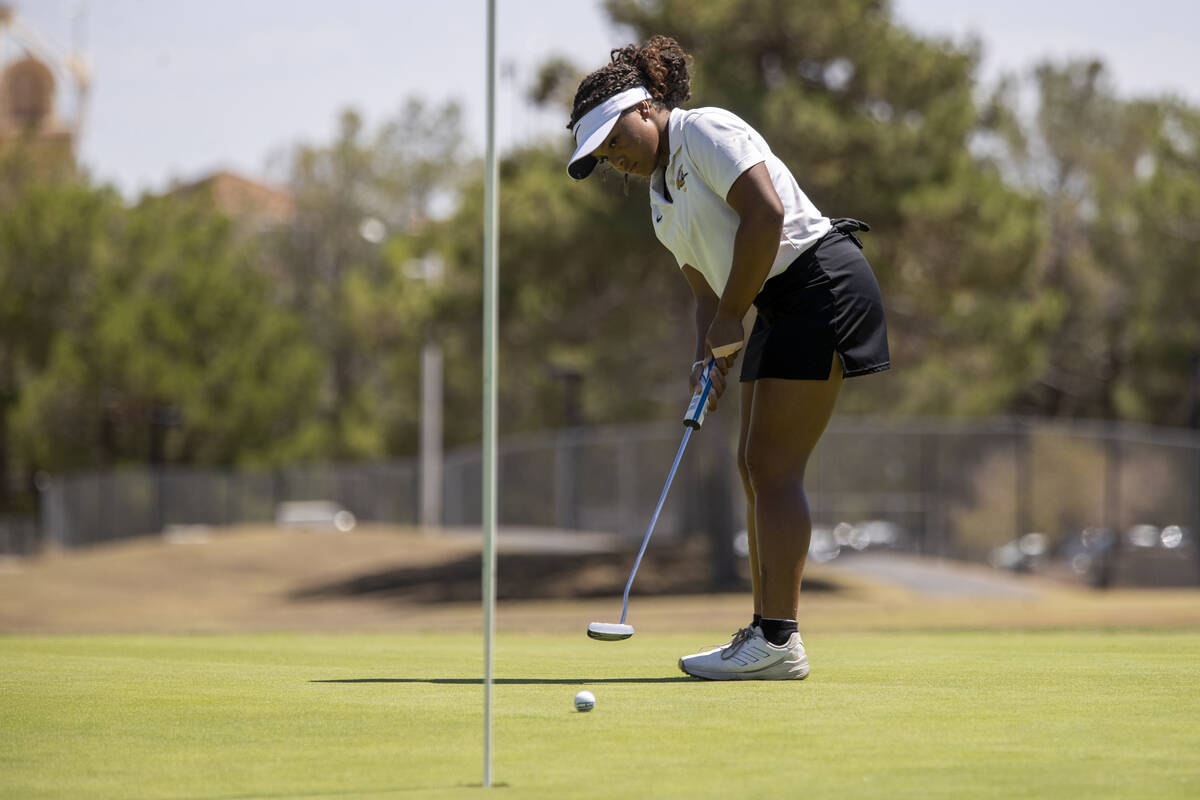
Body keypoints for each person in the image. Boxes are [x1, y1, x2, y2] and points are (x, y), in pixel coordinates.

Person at [566, 36, 889, 680]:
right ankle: (768, 633)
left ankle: (777, 639)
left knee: (772, 463)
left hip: (819, 282)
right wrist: (704, 357)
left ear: (646, 107)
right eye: (600, 153)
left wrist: (727, 318)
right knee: (754, 466)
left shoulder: (704, 129)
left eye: (614, 136)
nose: (613, 157)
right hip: (773, 300)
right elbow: (704, 295)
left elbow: (765, 217)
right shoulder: (661, 205)